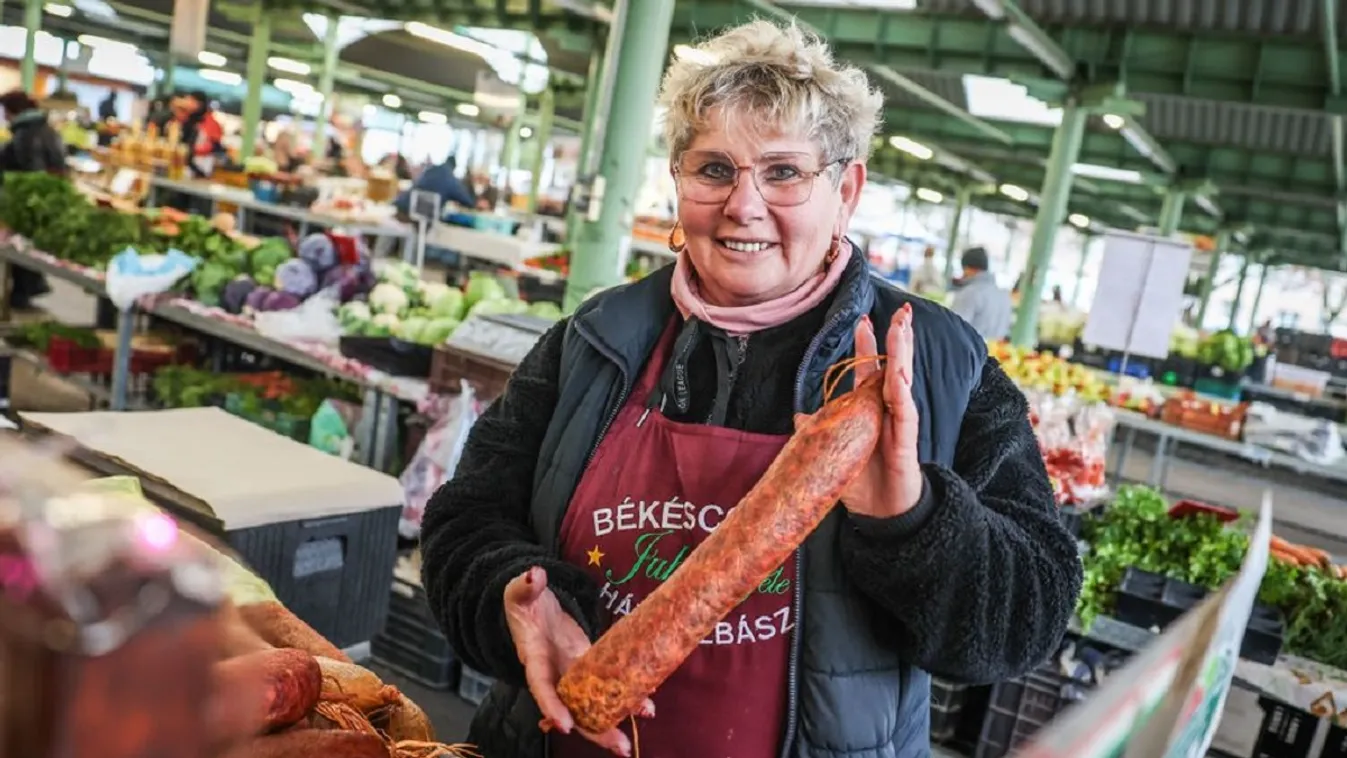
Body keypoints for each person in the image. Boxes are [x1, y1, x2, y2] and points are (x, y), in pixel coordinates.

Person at [420, 20, 1080, 758]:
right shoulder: (592, 342)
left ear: (846, 189)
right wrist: (507, 594)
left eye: (783, 172)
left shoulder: (937, 365)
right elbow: (463, 521)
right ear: (676, 180)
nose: (743, 205)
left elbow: (1033, 610)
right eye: (713, 170)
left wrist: (913, 520)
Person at [0, 89, 67, 309]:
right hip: (49, 199)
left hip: (29, 201)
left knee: (19, 245)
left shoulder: (25, 135)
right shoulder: (47, 130)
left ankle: (24, 291)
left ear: (13, 111)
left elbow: (31, 175)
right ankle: (26, 289)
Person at [951, 246, 1014, 340]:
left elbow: (952, 329)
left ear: (967, 268)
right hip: (999, 352)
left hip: (971, 353)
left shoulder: (969, 293)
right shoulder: (1004, 295)